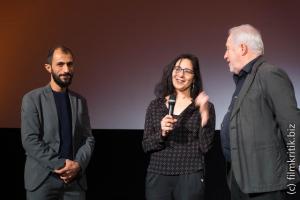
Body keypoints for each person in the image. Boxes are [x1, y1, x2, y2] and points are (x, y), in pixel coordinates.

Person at [220, 24, 300, 200]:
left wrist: (292, 169)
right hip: (242, 180)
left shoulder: (269, 74)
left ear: (242, 48)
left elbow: (292, 123)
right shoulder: (244, 79)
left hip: (267, 181)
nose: (225, 56)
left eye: (227, 49)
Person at [21, 45, 95, 200]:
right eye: (60, 64)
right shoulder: (32, 99)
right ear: (48, 68)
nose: (66, 70)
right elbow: (30, 141)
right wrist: (61, 165)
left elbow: (88, 139)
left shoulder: (80, 101)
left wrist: (77, 166)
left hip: (74, 182)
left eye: (70, 64)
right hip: (42, 181)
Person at [142, 53, 215, 200]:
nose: (181, 75)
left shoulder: (203, 107)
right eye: (177, 69)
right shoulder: (155, 106)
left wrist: (205, 116)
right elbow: (146, 145)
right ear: (171, 72)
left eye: (187, 71)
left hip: (190, 174)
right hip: (158, 174)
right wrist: (162, 133)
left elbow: (206, 147)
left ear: (194, 77)